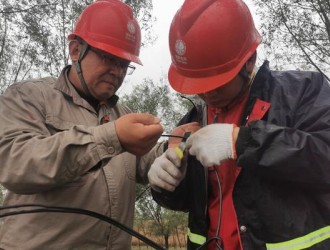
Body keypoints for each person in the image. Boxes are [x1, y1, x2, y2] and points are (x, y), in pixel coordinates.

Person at [147, 0, 330, 249]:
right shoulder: (192, 122)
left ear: (249, 60)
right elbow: (190, 202)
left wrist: (241, 141)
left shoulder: (302, 93)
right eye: (198, 83)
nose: (207, 93)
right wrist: (165, 185)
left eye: (216, 81)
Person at [0, 1, 164, 249]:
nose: (117, 71)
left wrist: (171, 150)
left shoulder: (124, 114)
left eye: (123, 64)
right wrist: (113, 137)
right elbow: (16, 163)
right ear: (76, 50)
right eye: (109, 58)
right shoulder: (28, 98)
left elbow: (146, 163)